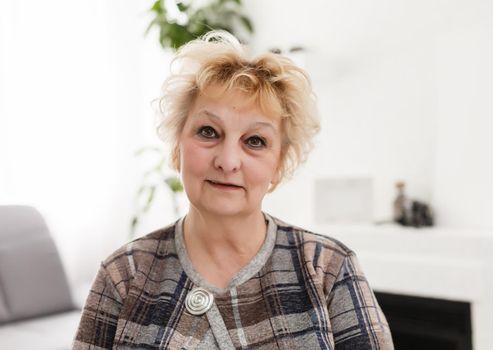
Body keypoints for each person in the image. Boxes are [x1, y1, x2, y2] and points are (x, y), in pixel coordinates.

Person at [73, 31, 394, 350]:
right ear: (176, 149)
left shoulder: (330, 267)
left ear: (279, 165)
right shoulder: (123, 272)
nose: (228, 162)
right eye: (208, 131)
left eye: (255, 141)